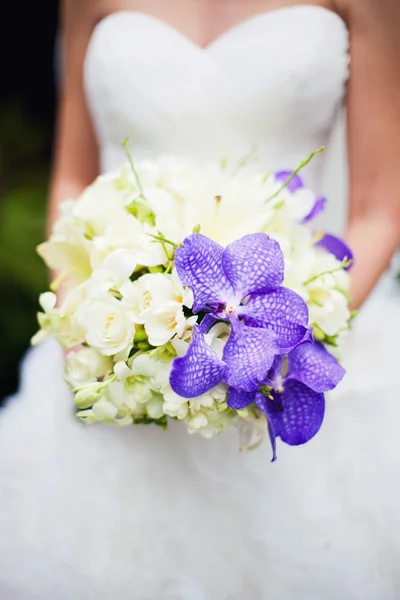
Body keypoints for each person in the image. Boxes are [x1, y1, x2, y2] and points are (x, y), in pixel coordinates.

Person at [1, 1, 400, 598]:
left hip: (295, 344)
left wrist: (274, 344)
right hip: (121, 357)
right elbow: (71, 181)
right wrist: (92, 333)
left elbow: (379, 211)